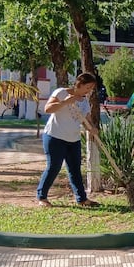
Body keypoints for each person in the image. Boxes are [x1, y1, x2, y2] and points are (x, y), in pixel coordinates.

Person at [36, 72, 100, 207]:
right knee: (54, 167)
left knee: (75, 169)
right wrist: (66, 102)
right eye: (87, 87)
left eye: (91, 88)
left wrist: (92, 128)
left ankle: (82, 199)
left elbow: (86, 120)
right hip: (55, 136)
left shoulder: (84, 101)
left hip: (73, 139)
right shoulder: (61, 93)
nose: (89, 91)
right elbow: (48, 109)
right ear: (79, 84)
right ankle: (42, 197)